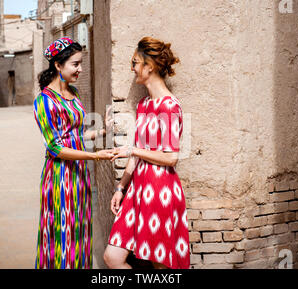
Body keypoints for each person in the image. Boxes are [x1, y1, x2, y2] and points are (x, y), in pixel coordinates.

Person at [104, 37, 190, 269]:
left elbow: (171, 157)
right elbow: (137, 154)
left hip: (160, 191)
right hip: (137, 190)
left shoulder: (170, 106)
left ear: (148, 67)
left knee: (160, 264)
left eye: (135, 62)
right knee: (112, 258)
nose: (132, 68)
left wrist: (133, 149)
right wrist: (121, 188)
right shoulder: (144, 105)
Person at [33, 37, 114, 269]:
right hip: (60, 178)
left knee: (80, 238)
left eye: (81, 63)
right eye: (75, 64)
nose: (80, 69)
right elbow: (57, 147)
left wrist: (102, 131)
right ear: (58, 65)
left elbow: (73, 136)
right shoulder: (45, 101)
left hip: (79, 176)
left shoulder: (74, 92)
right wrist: (96, 156)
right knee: (62, 239)